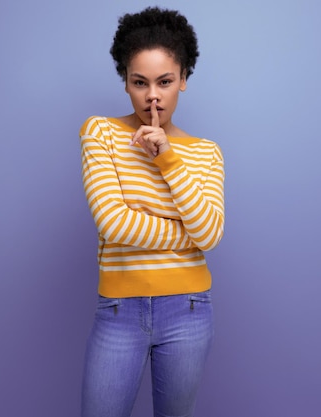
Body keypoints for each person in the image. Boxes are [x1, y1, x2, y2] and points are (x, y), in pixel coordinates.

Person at [79, 6, 225, 417]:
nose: (153, 95)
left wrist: (167, 158)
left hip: (189, 310)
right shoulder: (101, 133)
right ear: (126, 82)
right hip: (119, 310)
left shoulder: (205, 153)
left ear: (184, 80)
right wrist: (185, 236)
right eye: (139, 82)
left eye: (165, 82)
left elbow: (211, 234)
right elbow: (112, 221)